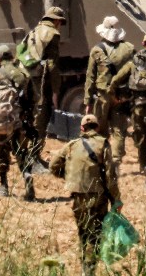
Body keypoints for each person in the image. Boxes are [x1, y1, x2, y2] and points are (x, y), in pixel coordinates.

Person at [50, 114, 122, 276]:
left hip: (77, 196)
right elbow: (111, 177)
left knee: (83, 232)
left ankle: (85, 268)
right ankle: (89, 271)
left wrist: (68, 176)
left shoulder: (72, 145)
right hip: (97, 197)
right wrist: (116, 200)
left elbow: (53, 165)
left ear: (82, 128)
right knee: (95, 234)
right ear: (97, 128)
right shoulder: (103, 144)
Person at [0, 44, 36, 201]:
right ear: (12, 57)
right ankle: (28, 180)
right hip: (20, 121)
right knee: (21, 153)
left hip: (2, 122)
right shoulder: (22, 74)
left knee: (1, 152)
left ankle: (4, 187)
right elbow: (34, 98)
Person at [109, 31, 146, 188]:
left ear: (143, 44)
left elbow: (115, 81)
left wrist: (115, 98)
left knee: (142, 141)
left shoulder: (133, 63)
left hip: (137, 108)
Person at [85, 16, 134, 165]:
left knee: (100, 128)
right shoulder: (129, 48)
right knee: (119, 129)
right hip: (122, 95)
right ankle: (117, 160)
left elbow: (90, 76)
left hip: (103, 96)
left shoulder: (97, 50)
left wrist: (87, 100)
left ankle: (101, 157)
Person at [21, 6, 64, 168]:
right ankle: (33, 159)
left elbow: (21, 52)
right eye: (60, 22)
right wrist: (55, 90)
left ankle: (29, 156)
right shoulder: (52, 34)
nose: (60, 25)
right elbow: (52, 65)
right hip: (41, 82)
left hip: (28, 78)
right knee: (41, 118)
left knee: (31, 117)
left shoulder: (33, 32)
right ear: (56, 20)